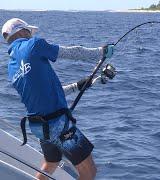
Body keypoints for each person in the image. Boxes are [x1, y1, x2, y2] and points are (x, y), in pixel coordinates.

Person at [2, 18, 114, 180]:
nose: (30, 34)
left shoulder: (12, 67)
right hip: (58, 126)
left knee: (51, 164)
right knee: (89, 172)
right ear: (21, 31)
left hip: (39, 127)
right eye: (28, 31)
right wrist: (100, 52)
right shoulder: (34, 45)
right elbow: (71, 52)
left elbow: (43, 95)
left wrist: (77, 85)